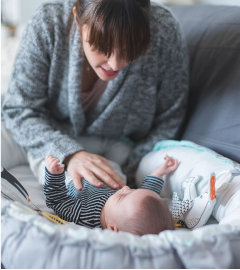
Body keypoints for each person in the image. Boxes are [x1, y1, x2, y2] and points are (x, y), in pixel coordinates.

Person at [2, 0, 189, 190]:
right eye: (103, 47)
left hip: (120, 148)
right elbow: (19, 109)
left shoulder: (164, 31)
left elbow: (169, 118)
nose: (115, 64)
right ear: (77, 18)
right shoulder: (49, 23)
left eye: (130, 49)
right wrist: (69, 153)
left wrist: (131, 175)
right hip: (47, 135)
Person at [44, 154, 179, 235]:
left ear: (112, 229)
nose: (126, 188)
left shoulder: (82, 215)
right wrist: (158, 174)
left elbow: (56, 200)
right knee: (117, 162)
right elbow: (147, 194)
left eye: (122, 197)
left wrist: (54, 175)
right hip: (103, 174)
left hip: (69, 179)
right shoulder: (122, 209)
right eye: (132, 190)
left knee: (44, 163)